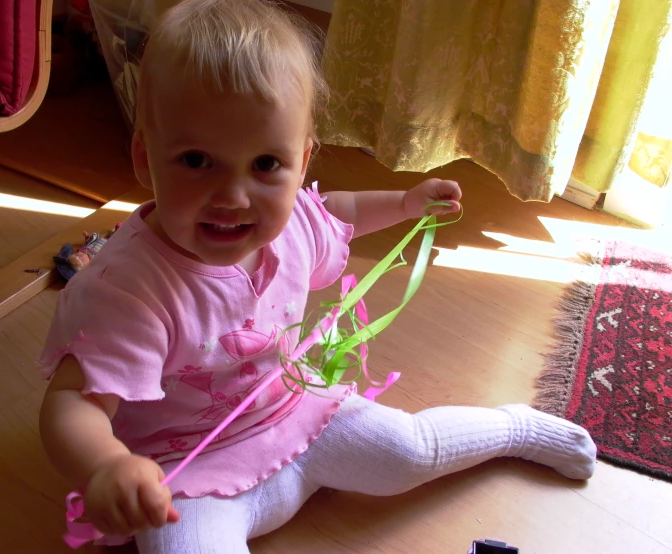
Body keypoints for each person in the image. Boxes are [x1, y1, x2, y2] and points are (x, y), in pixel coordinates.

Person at [38, 1, 597, 552]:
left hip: (299, 412)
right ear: (144, 157)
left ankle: (515, 428)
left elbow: (340, 210)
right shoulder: (128, 290)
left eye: (264, 165)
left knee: (409, 450)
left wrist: (405, 203)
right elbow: (73, 405)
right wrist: (108, 466)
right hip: (188, 470)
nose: (232, 197)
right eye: (195, 161)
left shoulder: (289, 224)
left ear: (302, 162)